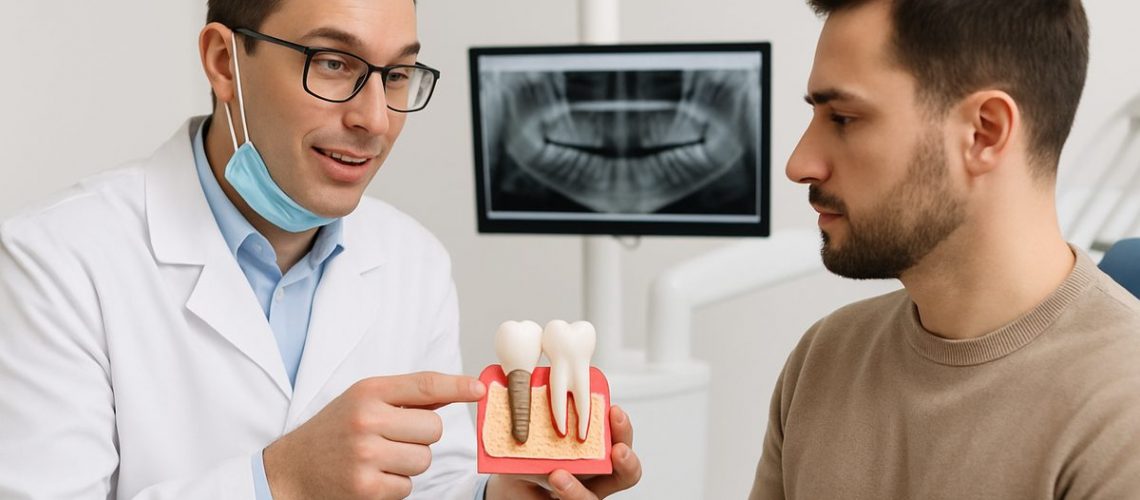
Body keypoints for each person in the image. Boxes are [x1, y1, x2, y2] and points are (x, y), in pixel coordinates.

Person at [0, 0, 641, 499]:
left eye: (395, 75)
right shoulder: (52, 261)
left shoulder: (412, 260)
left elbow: (428, 481)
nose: (376, 119)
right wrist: (281, 482)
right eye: (334, 63)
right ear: (225, 62)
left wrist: (496, 495)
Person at [750, 0, 1140, 498]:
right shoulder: (822, 358)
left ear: (984, 133)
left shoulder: (1123, 413)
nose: (799, 163)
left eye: (843, 118)